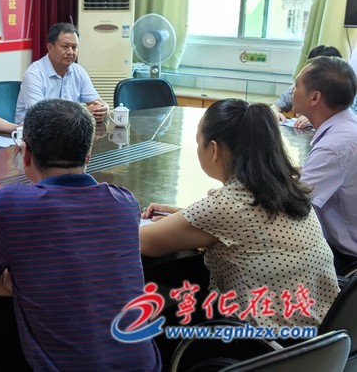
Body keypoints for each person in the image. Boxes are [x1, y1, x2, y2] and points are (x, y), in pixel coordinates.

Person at [0, 99, 161, 372]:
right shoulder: (124, 201)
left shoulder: (11, 203)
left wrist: (27, 282)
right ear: (88, 156)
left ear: (26, 154)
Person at [140, 99, 339, 330]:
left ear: (214, 149)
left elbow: (143, 242)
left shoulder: (227, 205)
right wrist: (186, 218)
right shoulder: (288, 188)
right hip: (321, 334)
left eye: (198, 142)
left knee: (156, 320)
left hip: (262, 343)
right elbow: (250, 227)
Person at [293, 56, 357, 272]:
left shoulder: (333, 147)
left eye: (296, 85)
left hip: (344, 258)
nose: (292, 91)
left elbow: (294, 204)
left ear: (315, 97)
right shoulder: (348, 126)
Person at [14, 23, 109, 123]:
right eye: (65, 46)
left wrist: (104, 108)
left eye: (74, 47)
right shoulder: (34, 74)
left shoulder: (79, 71)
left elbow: (97, 102)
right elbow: (39, 116)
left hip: (69, 128)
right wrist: (82, 112)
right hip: (35, 130)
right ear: (50, 47)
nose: (70, 52)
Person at [271, 45, 342, 128]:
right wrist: (275, 113)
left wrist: (313, 118)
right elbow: (275, 107)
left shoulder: (341, 91)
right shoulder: (300, 85)